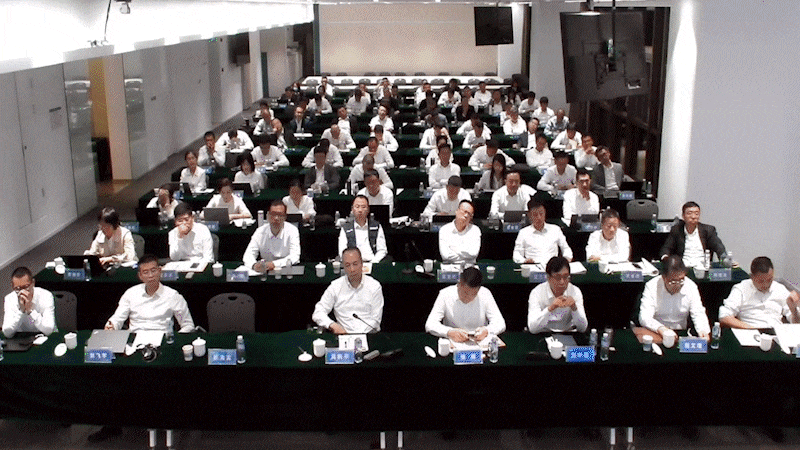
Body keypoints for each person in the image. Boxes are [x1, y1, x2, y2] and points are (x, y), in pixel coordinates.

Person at [104, 254, 195, 332]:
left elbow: (188, 325)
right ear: (140, 276)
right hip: (135, 338)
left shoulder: (173, 295)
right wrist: (112, 326)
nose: (150, 275)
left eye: (153, 271)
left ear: (160, 271)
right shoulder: (130, 293)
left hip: (161, 338)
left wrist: (175, 338)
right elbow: (117, 318)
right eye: (145, 272)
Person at [312, 247, 384, 334]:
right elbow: (318, 312)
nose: (352, 269)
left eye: (355, 264)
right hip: (343, 335)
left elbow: (375, 320)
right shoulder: (335, 286)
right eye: (347, 265)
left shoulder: (374, 286)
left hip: (368, 335)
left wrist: (356, 335)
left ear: (362, 264)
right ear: (343, 267)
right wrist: (332, 325)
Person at [639, 255, 711, 338]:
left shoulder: (690, 286)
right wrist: (661, 329)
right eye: (673, 281)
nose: (678, 285)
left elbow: (698, 312)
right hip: (657, 332)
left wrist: (703, 330)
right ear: (664, 278)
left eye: (681, 280)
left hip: (680, 333)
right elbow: (645, 317)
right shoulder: (652, 286)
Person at [425, 266, 505, 341]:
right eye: (465, 293)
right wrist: (449, 332)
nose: (468, 298)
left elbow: (500, 323)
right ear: (459, 284)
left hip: (479, 343)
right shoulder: (445, 294)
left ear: (479, 289)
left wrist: (487, 331)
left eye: (473, 294)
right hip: (454, 342)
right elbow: (430, 324)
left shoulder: (485, 293)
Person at [719, 256, 800, 329]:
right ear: (752, 277)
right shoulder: (741, 289)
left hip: (776, 332)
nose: (766, 284)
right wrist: (750, 328)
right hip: (750, 331)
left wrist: (794, 310)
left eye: (769, 280)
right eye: (761, 281)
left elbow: (797, 324)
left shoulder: (779, 289)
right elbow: (724, 316)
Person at [527, 256, 588, 333]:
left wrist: (574, 308)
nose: (562, 282)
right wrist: (550, 308)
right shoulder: (537, 292)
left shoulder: (575, 291)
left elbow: (583, 328)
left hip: (568, 333)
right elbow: (533, 328)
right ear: (548, 277)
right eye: (558, 277)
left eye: (566, 277)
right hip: (544, 333)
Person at [659, 201, 727, 268]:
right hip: (682, 268)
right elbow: (666, 248)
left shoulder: (708, 230)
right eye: (689, 213)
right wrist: (666, 259)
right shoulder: (677, 230)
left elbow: (718, 246)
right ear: (683, 216)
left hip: (702, 267)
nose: (693, 216)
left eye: (696, 214)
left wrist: (724, 259)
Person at [243, 201, 301, 272]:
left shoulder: (292, 230)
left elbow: (295, 256)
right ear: (268, 215)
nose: (276, 218)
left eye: (280, 215)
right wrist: (254, 265)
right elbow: (248, 255)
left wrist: (274, 264)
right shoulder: (260, 231)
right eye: (273, 214)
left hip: (286, 270)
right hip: (265, 271)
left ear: (285, 217)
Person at [513, 199, 573, 264]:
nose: (539, 217)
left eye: (541, 214)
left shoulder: (555, 229)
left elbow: (566, 248)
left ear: (545, 213)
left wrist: (566, 259)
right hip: (533, 265)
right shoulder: (523, 232)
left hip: (552, 266)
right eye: (535, 215)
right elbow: (517, 254)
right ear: (530, 216)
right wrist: (524, 260)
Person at [2, 267, 56, 338]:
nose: (22, 292)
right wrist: (21, 311)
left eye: (26, 287)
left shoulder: (46, 295)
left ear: (33, 283)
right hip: (22, 339)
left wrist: (30, 311)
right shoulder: (9, 299)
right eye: (18, 289)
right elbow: (7, 332)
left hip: (45, 338)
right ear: (12, 286)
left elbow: (49, 330)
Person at [338, 195, 388, 263]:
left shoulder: (376, 226)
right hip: (353, 264)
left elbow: (382, 250)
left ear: (368, 209)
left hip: (373, 262)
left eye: (363, 207)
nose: (360, 210)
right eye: (357, 207)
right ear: (352, 209)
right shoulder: (345, 228)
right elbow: (342, 252)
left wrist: (373, 262)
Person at [438, 200, 481, 266]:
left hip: (469, 267)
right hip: (449, 267)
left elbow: (473, 254)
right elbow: (446, 256)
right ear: (457, 211)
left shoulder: (475, 230)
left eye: (469, 214)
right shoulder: (444, 230)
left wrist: (454, 249)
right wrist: (465, 255)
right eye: (465, 212)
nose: (466, 215)